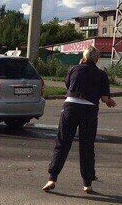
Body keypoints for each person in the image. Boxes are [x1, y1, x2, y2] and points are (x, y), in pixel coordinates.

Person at [43, 46, 116, 194]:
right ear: (97, 59)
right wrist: (109, 101)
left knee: (62, 143)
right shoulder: (101, 75)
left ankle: (52, 178)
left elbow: (68, 85)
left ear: (83, 58)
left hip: (70, 107)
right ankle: (87, 183)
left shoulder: (73, 69)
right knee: (87, 146)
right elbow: (104, 98)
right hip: (89, 110)